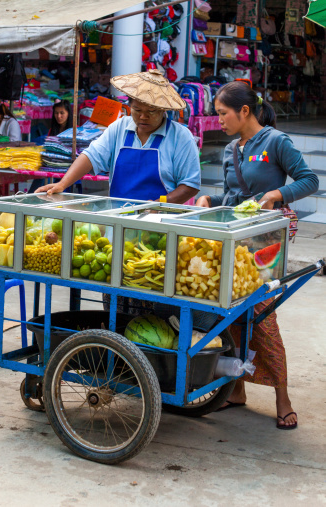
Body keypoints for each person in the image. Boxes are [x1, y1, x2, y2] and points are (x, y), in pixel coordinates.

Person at [196, 81, 319, 430]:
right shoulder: (231, 149)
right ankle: (236, 391)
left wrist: (277, 193)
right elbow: (231, 198)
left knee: (264, 321)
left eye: (222, 114)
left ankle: (283, 398)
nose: (218, 120)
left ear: (244, 111)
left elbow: (309, 181)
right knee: (230, 318)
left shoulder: (276, 142)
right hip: (234, 245)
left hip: (266, 247)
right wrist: (209, 200)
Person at [35, 69, 201, 203]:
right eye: (137, 110)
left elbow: (190, 184)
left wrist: (161, 203)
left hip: (162, 221)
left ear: (163, 109)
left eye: (151, 111)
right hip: (118, 219)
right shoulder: (119, 127)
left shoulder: (180, 137)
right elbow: (91, 156)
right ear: (129, 106)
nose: (143, 117)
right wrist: (62, 184)